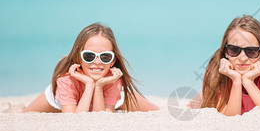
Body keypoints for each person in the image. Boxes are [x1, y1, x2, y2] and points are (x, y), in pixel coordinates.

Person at [23, 23, 159, 113]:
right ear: (78, 57)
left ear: (113, 61)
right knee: (25, 114)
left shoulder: (113, 79)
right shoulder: (66, 80)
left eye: (105, 57)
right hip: (64, 100)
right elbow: (75, 121)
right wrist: (89, 85)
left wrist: (99, 86)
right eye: (89, 56)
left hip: (108, 92)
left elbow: (100, 118)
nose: (97, 62)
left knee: (155, 110)